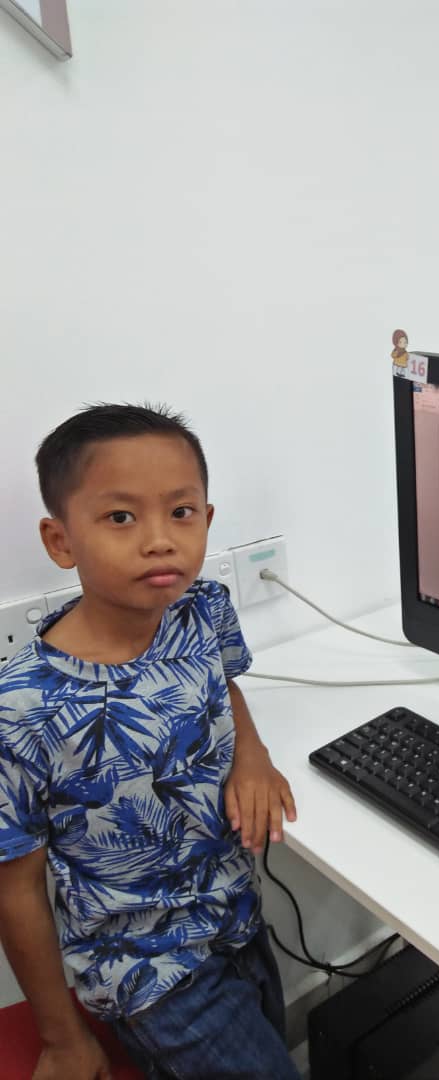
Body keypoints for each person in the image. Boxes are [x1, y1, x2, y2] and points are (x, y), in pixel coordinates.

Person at [0, 404, 301, 1080]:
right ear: (60, 540)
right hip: (148, 976)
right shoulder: (22, 706)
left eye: (181, 512)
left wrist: (251, 754)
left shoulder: (201, 610)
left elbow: (223, 683)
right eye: (121, 517)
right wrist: (61, 1038)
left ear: (207, 519)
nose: (160, 540)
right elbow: (14, 889)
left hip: (237, 920)